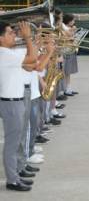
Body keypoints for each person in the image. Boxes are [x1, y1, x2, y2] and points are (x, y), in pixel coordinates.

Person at [0, 21, 36, 191]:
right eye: (9, 33)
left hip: (14, 101)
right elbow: (33, 58)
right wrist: (28, 37)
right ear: (1, 38)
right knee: (12, 144)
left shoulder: (8, 53)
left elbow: (30, 65)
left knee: (13, 143)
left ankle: (15, 175)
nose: (14, 34)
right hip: (11, 103)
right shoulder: (5, 53)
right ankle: (12, 180)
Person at [62, 13, 79, 96]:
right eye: (72, 20)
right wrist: (72, 31)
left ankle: (68, 88)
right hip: (66, 50)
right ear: (68, 21)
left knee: (68, 72)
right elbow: (69, 37)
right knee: (66, 71)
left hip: (71, 49)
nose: (74, 22)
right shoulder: (63, 27)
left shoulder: (69, 27)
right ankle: (65, 89)